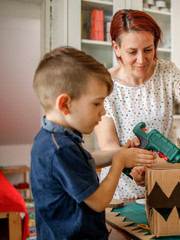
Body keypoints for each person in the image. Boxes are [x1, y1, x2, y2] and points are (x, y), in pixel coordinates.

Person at [94, 9, 180, 200]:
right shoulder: (104, 84)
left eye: (148, 49)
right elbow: (108, 143)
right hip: (119, 194)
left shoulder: (167, 72)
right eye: (132, 52)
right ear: (116, 48)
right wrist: (131, 168)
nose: (142, 60)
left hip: (164, 188)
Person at [30, 46, 156, 239]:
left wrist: (120, 152)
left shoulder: (52, 138)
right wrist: (119, 162)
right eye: (97, 103)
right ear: (65, 104)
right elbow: (98, 201)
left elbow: (88, 160)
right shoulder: (60, 149)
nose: (103, 111)